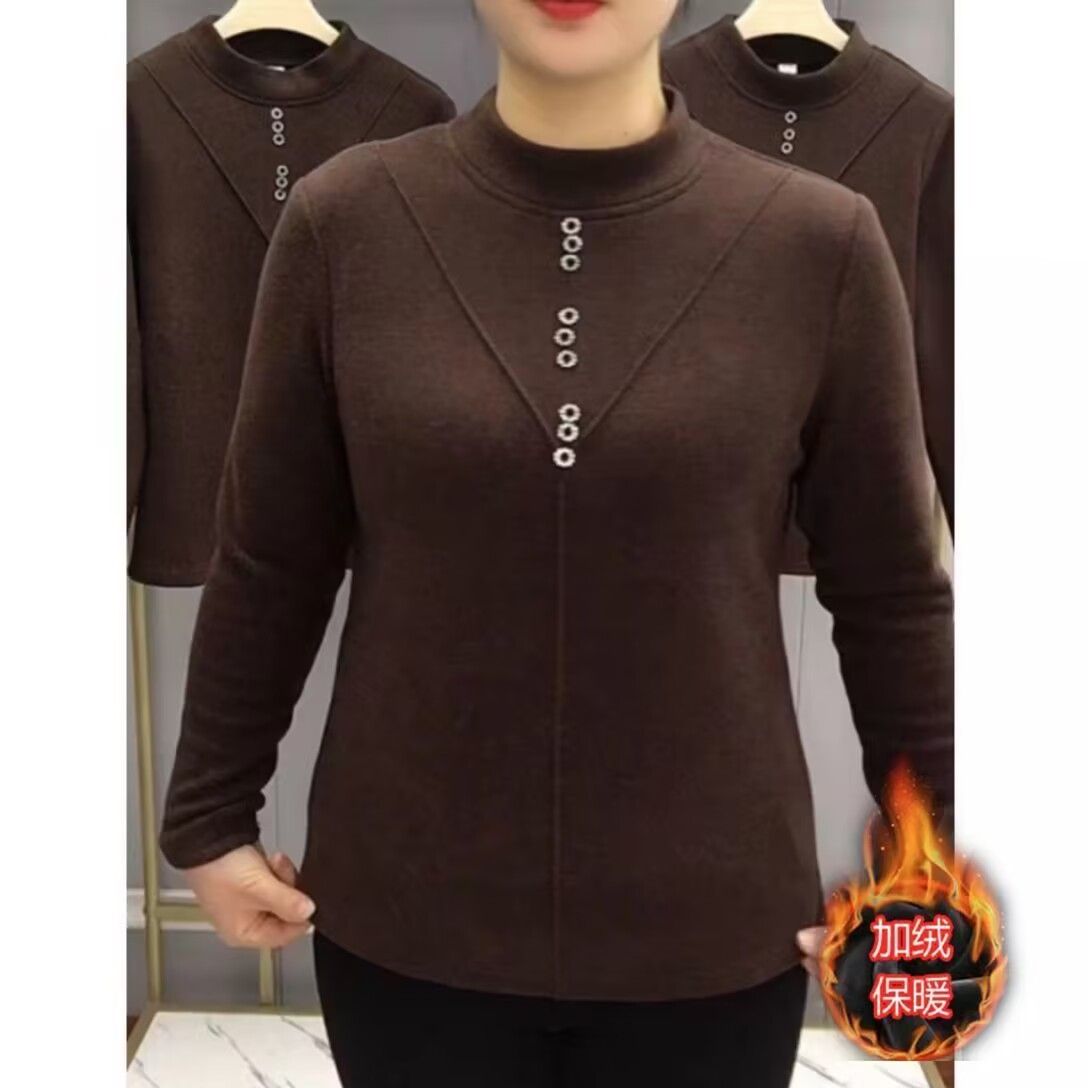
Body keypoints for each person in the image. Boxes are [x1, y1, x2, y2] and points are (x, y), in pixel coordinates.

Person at [158, 1, 953, 1084]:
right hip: (406, 930)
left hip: (713, 942)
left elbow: (890, 589)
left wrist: (930, 861)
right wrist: (208, 817)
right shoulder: (346, 221)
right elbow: (270, 555)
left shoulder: (819, 241)